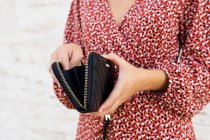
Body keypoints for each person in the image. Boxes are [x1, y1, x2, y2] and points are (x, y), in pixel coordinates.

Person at [49, 0, 210, 139]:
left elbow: (204, 73)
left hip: (160, 131)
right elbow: (72, 96)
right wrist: (67, 64)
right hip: (92, 133)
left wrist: (143, 79)